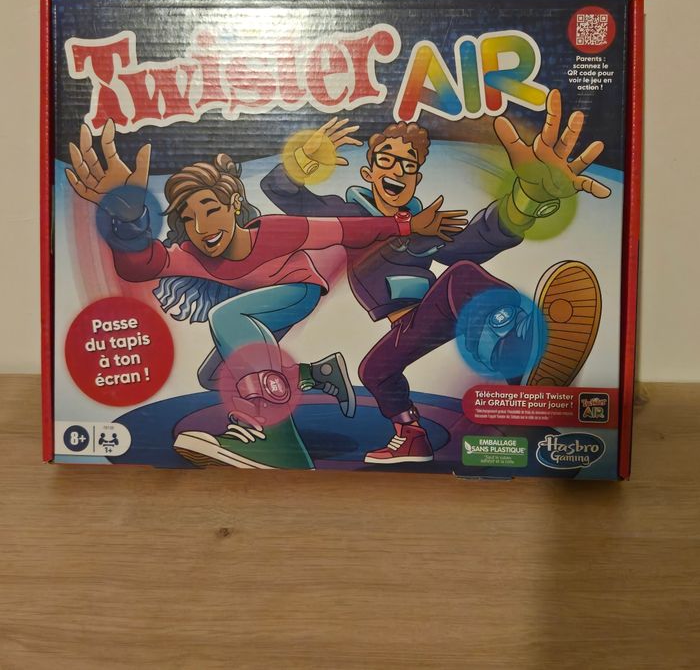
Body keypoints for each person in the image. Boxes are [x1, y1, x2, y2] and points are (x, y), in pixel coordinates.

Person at [66, 120, 466, 469]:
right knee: (214, 376)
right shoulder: (192, 254)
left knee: (226, 317)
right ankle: (319, 374)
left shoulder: (275, 232)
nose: (203, 227)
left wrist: (405, 226)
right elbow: (139, 266)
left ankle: (272, 436)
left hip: (298, 292)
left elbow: (348, 229)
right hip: (258, 310)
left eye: (211, 210)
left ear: (234, 204)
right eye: (189, 219)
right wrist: (126, 217)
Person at [261, 89, 609, 465]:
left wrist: (527, 198)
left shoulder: (427, 225)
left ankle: (522, 351)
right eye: (387, 161)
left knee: (461, 274)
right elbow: (279, 191)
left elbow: (478, 238)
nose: (397, 171)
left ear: (416, 179)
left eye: (407, 166)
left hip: (439, 306)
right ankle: (412, 437)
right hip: (409, 324)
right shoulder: (347, 216)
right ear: (369, 173)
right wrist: (302, 159)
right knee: (374, 369)